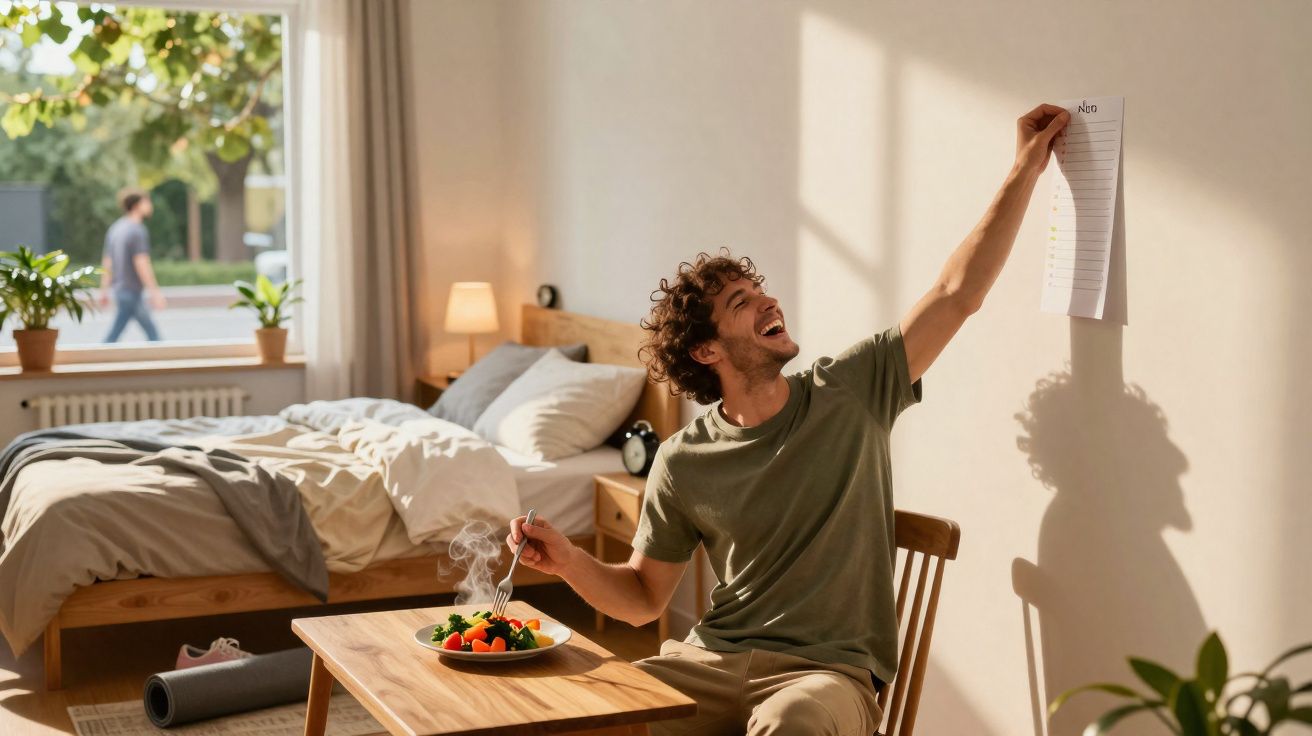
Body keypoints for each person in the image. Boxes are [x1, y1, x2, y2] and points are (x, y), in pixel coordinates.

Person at [505, 103, 1070, 735]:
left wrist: (1025, 166)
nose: (769, 300)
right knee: (596, 715)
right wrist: (567, 563)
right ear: (707, 351)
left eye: (759, 288)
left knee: (792, 724)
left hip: (825, 675)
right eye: (742, 303)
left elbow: (956, 294)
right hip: (710, 662)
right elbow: (642, 599)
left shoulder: (852, 389)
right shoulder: (683, 460)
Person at [100, 188, 166, 342]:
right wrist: (155, 293)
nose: (150, 206)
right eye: (147, 201)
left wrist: (104, 289)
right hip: (132, 292)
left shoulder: (115, 229)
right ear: (137, 205)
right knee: (153, 335)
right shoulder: (137, 230)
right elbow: (142, 263)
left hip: (120, 290)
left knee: (117, 332)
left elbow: (107, 261)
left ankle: (99, 355)